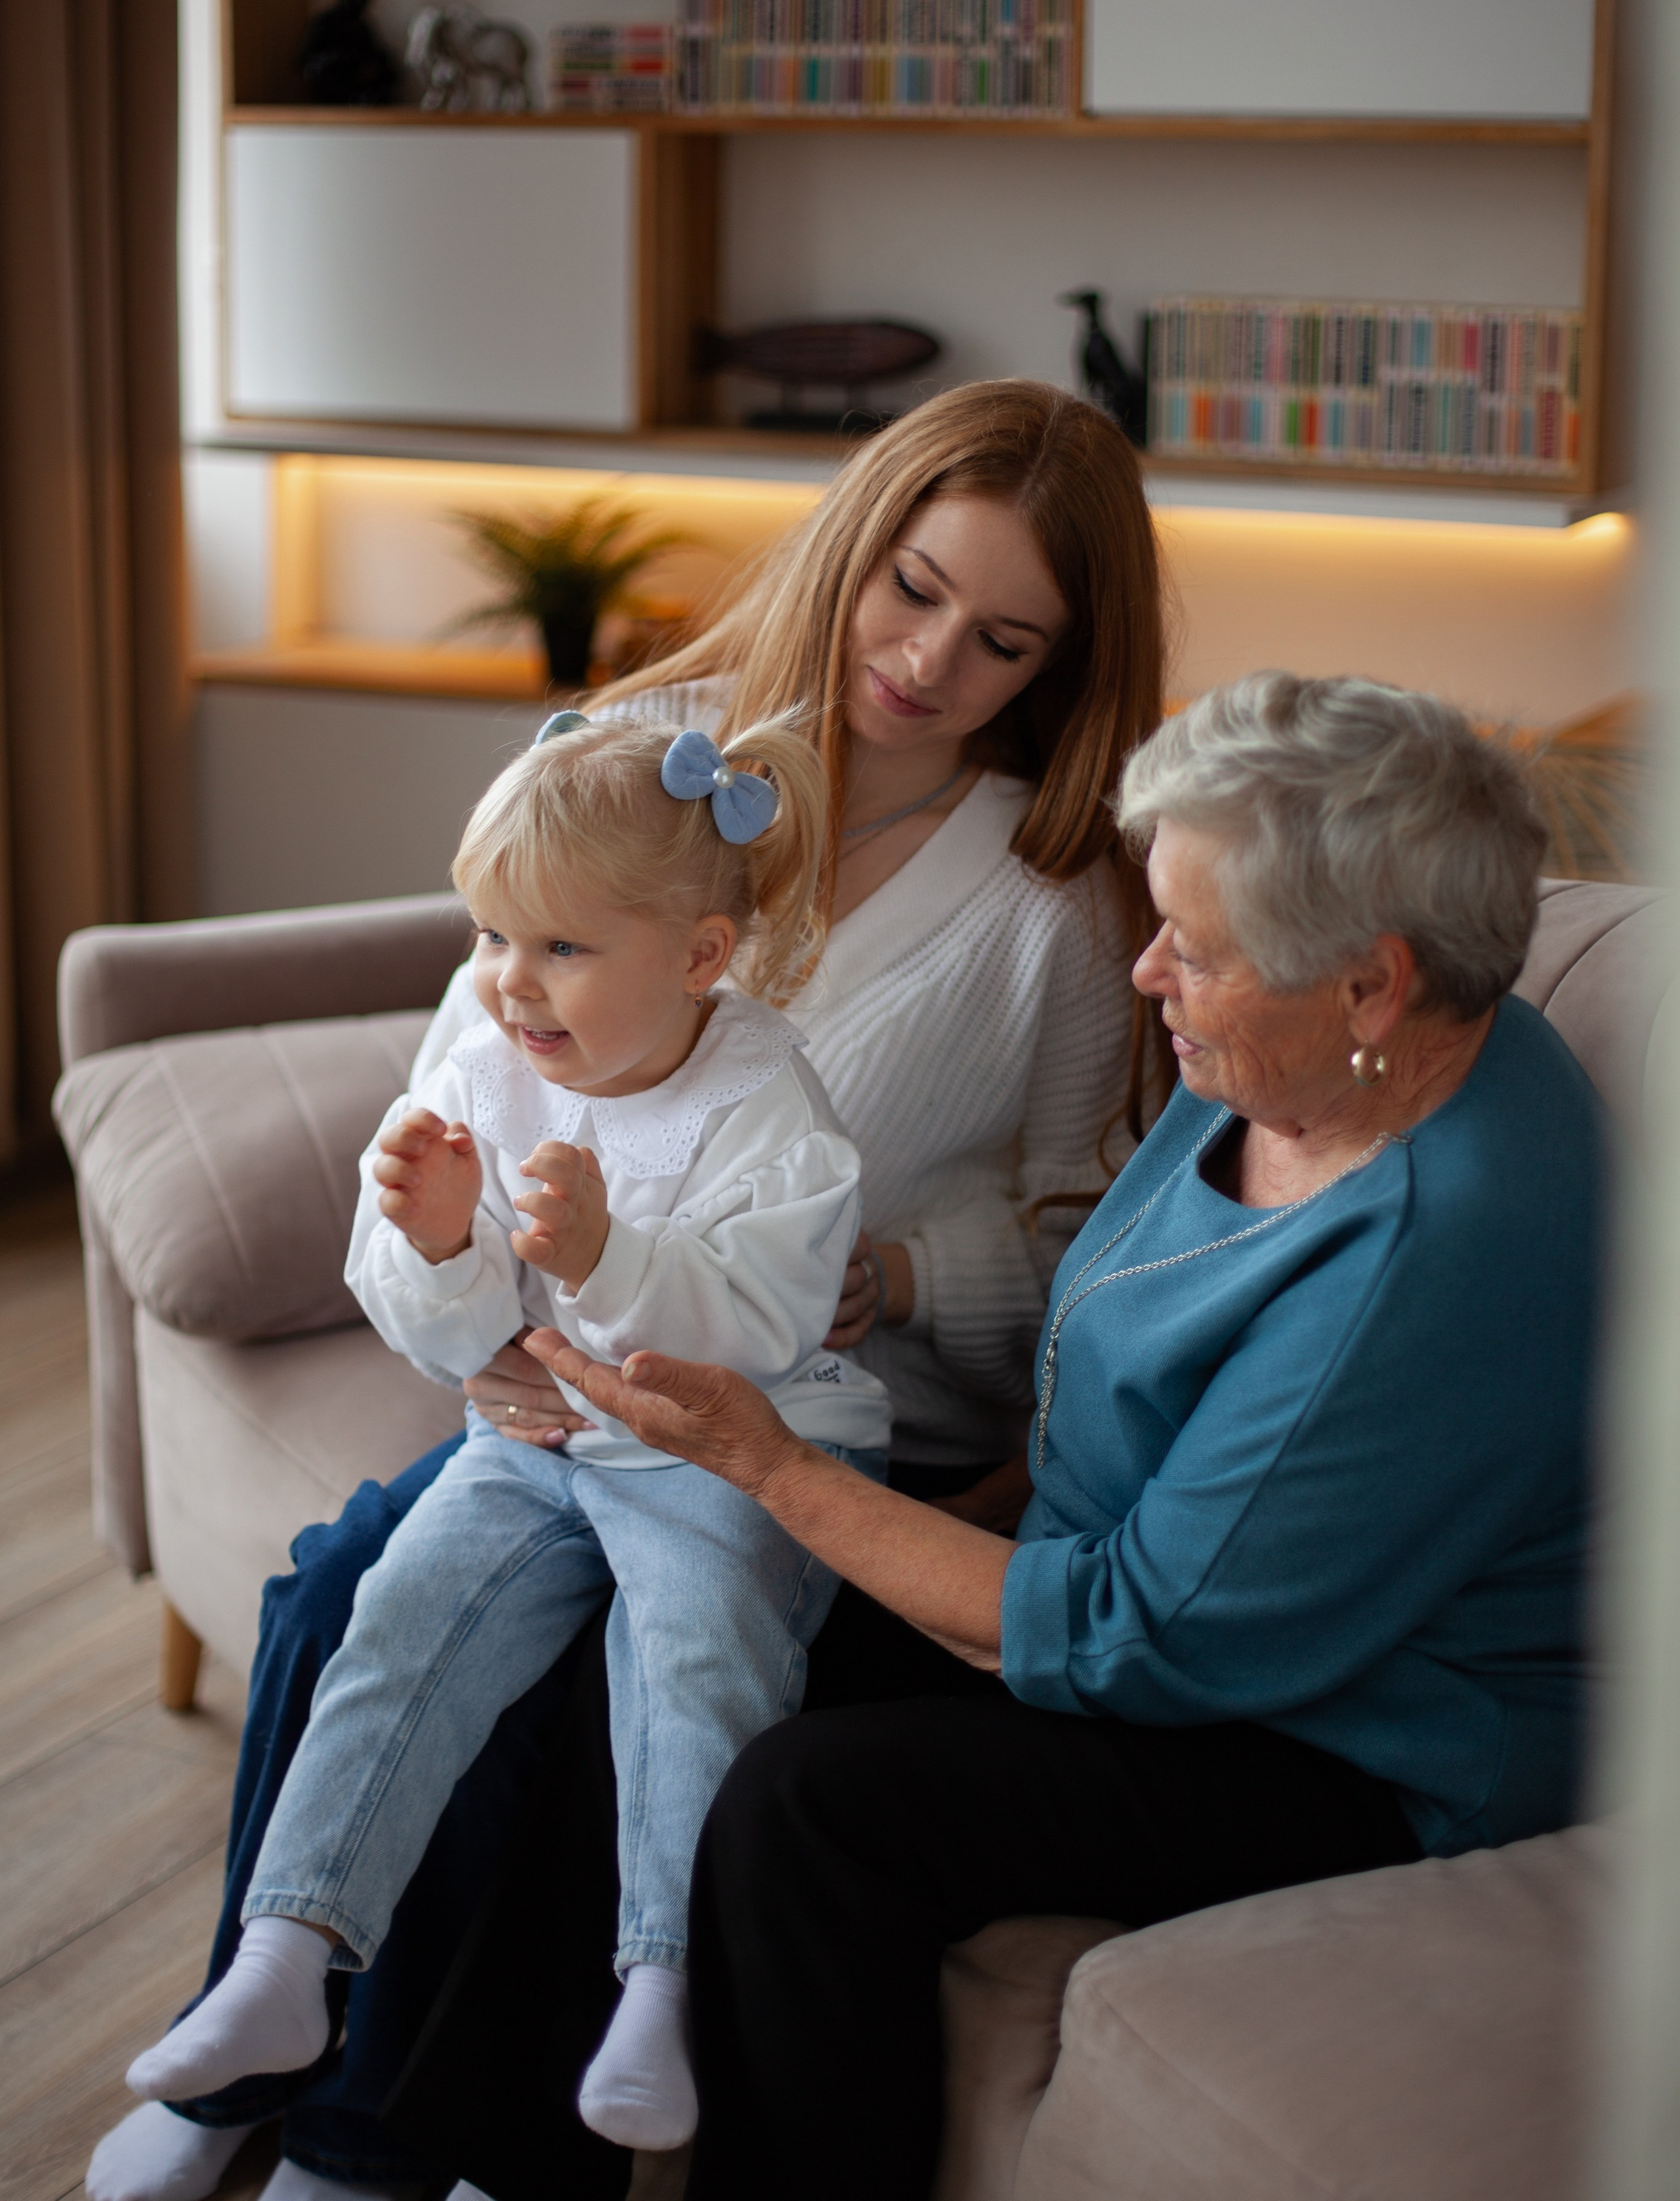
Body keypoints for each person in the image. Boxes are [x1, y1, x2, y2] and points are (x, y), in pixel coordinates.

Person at [88, 379, 1169, 2201]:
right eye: (909, 589)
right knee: (351, 1580)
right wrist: (494, 1325)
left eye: (1001, 643)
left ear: (1059, 667)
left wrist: (898, 1272)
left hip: (806, 1418)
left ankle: (380, 2150)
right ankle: (240, 2071)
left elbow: (1082, 1236)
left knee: (613, 1662)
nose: (927, 662)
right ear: (854, 542)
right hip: (559, 1369)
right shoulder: (648, 749)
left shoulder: (1050, 905)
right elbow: (478, 1063)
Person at [536, 672, 1605, 2201]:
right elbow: (1131, 1371)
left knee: (807, 1806)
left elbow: (1132, 1637)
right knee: (663, 1617)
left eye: (1196, 948)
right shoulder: (1280, 1060)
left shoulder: (1433, 1250)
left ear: (1369, 984)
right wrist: (952, 1500)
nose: (1148, 970)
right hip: (1148, 1582)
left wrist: (768, 1461)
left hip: (1357, 1730)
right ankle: (513, 2147)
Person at [123, 709, 891, 2156]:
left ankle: (660, 1982)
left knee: (690, 1642)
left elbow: (771, 1321)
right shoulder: (481, 1060)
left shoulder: (764, 1101)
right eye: (490, 936)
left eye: (558, 950)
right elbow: (435, 1321)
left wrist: (610, 1260)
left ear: (701, 959)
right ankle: (288, 1954)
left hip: (734, 1445)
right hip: (543, 1446)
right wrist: (433, 1252)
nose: (506, 984)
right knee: (397, 1613)